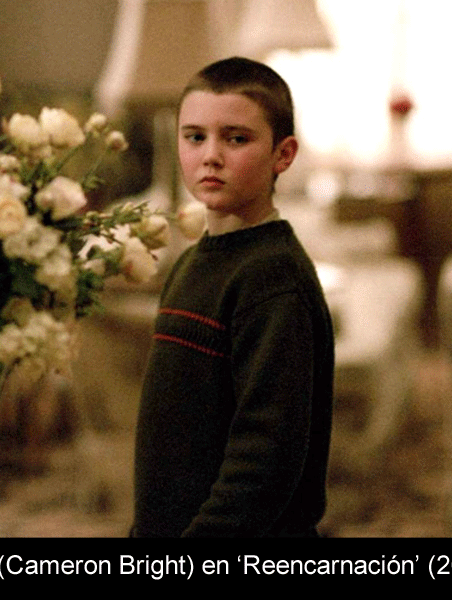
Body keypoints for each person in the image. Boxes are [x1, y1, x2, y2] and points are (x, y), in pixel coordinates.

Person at [132, 57, 334, 537]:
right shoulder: (190, 263)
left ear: (283, 155)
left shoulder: (272, 278)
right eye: (194, 137)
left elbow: (266, 457)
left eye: (236, 139)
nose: (211, 156)